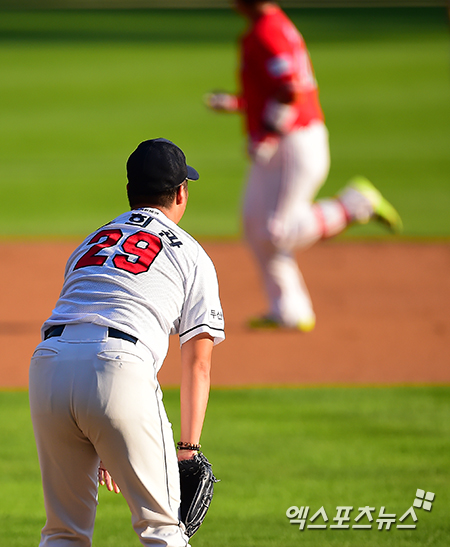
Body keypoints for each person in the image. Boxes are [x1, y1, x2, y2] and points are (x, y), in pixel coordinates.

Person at [28, 138, 225, 546]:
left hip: (49, 366)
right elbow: (198, 362)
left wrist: (99, 437)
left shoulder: (91, 242)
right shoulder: (191, 253)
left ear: (130, 191)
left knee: (63, 532)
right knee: (163, 529)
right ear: (181, 193)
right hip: (118, 369)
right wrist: (187, 448)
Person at [205, 0, 402, 330]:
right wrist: (238, 103)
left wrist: (267, 133)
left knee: (275, 230)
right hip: (289, 138)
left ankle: (355, 204)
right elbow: (276, 88)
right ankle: (289, 309)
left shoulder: (268, 32)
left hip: (293, 141)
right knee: (255, 225)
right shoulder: (271, 26)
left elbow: (290, 91)